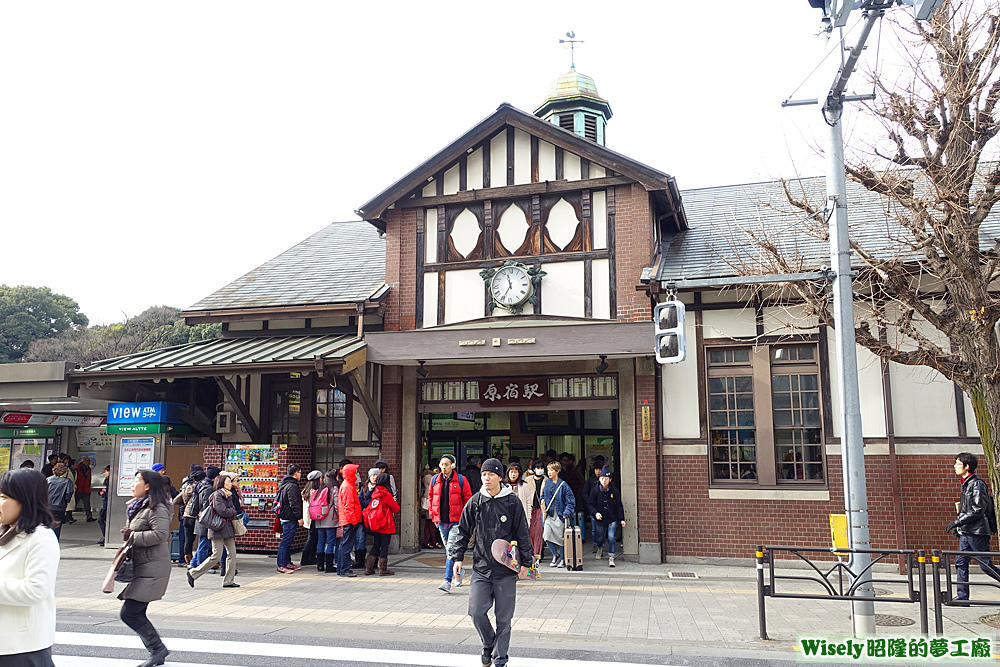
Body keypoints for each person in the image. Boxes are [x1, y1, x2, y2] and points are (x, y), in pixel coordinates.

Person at [452, 458, 532, 667]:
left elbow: (523, 533)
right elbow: (463, 531)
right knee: (476, 611)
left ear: (499, 477)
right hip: (481, 568)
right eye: (483, 475)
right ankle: (488, 642)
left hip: (505, 570)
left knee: (504, 619)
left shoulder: (511, 502)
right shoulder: (476, 501)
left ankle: (500, 659)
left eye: (490, 474)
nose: (486, 478)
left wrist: (526, 562)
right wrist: (458, 557)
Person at [0, 468, 59, 667]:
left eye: (4, 497)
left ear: (25, 500)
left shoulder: (41, 538)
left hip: (21, 646)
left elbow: (35, 590)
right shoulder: (5, 532)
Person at [119, 469, 172, 667]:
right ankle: (157, 651)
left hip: (153, 567)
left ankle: (158, 650)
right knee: (136, 612)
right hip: (144, 566)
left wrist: (132, 536)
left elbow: (160, 535)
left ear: (148, 485)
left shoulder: (157, 507)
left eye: (136, 481)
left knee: (129, 613)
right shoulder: (140, 506)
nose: (132, 485)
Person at [947, 452, 1000, 601]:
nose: (955, 467)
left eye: (958, 464)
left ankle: (963, 596)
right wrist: (960, 527)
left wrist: (957, 522)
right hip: (967, 531)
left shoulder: (976, 484)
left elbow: (978, 509)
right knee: (960, 562)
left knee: (985, 565)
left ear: (967, 466)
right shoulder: (966, 483)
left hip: (977, 532)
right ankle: (962, 597)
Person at [186, 474, 239, 589]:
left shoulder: (228, 495)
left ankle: (228, 581)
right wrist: (231, 512)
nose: (231, 484)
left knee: (232, 554)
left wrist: (231, 511)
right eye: (228, 482)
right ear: (222, 483)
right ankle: (193, 573)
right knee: (216, 555)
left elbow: (233, 509)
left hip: (227, 528)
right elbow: (223, 511)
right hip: (217, 528)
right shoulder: (217, 495)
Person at [429, 453, 473, 593]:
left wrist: (466, 519)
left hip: (457, 521)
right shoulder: (435, 480)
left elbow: (468, 499)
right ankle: (459, 573)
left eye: (447, 464)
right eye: (442, 464)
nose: (444, 467)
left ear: (453, 465)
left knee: (450, 551)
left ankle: (447, 581)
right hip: (441, 521)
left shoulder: (461, 480)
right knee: (450, 551)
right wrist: (433, 516)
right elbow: (430, 498)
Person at [587, 466, 625, 567]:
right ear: (599, 479)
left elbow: (619, 505)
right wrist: (595, 513)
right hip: (599, 518)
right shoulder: (595, 490)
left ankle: (611, 556)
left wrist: (621, 519)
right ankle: (599, 548)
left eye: (606, 479)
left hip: (612, 518)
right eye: (602, 478)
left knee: (611, 536)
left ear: (610, 480)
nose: (604, 480)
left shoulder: (614, 491)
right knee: (600, 536)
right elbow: (590, 504)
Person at [364, 472, 400, 576]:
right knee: (384, 546)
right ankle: (383, 569)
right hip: (385, 525)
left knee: (376, 545)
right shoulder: (386, 494)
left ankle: (368, 568)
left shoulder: (375, 493)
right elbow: (396, 508)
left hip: (376, 524)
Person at [541, 461, 575, 568]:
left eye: (551, 470)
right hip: (549, 515)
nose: (549, 472)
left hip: (560, 516)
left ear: (558, 471)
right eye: (548, 470)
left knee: (560, 539)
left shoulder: (564, 485)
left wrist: (566, 513)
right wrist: (542, 500)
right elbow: (543, 495)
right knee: (546, 536)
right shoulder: (547, 483)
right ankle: (555, 555)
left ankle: (563, 559)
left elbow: (571, 501)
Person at [275, 464, 304, 574]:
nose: (300, 475)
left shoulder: (285, 483)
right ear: (296, 473)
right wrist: (299, 517)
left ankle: (287, 562)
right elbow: (294, 503)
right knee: (286, 541)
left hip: (285, 516)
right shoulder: (292, 486)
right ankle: (281, 564)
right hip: (289, 517)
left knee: (288, 541)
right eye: (300, 472)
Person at [190, 466, 220, 570]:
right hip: (206, 519)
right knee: (204, 543)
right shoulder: (208, 488)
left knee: (203, 542)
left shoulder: (202, 485)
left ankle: (193, 563)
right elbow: (206, 505)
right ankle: (200, 566)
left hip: (201, 518)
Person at [335, 463, 361, 577]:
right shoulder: (348, 487)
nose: (356, 474)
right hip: (349, 520)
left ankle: (341, 569)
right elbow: (349, 506)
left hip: (347, 519)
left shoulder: (346, 485)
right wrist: (354, 521)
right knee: (347, 545)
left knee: (344, 545)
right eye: (355, 472)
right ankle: (344, 569)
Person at [312, 469, 340, 574]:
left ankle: (320, 565)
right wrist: (339, 516)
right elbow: (336, 505)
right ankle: (329, 565)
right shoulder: (334, 488)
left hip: (319, 519)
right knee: (331, 542)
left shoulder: (319, 488)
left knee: (321, 541)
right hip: (330, 519)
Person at [180, 465, 205, 567]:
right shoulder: (202, 486)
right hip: (196, 516)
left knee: (188, 540)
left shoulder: (187, 487)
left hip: (187, 515)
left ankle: (188, 561)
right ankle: (197, 560)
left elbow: (184, 500)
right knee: (202, 538)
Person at [581, 457, 605, 552]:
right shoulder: (590, 481)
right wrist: (589, 501)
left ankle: (601, 545)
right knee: (594, 528)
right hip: (593, 508)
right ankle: (596, 544)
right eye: (596, 469)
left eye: (600, 469)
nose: (598, 471)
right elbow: (584, 493)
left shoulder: (606, 480)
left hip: (603, 507)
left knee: (602, 528)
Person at [45, 462, 74, 541]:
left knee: (47, 524)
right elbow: (69, 493)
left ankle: (46, 539)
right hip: (59, 506)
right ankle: (54, 540)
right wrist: (66, 501)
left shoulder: (48, 480)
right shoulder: (67, 482)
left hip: (47, 505)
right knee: (57, 525)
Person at [300, 471, 322, 568]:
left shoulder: (306, 489)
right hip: (312, 518)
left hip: (308, 517)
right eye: (321, 478)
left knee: (313, 538)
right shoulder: (314, 491)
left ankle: (311, 557)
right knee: (312, 538)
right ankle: (305, 558)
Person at [526, 460, 546, 563]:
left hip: (541, 509)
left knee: (538, 532)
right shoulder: (527, 480)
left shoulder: (547, 480)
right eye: (537, 468)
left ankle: (537, 554)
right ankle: (533, 552)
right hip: (530, 509)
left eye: (541, 468)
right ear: (533, 469)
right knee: (530, 532)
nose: (540, 470)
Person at [71, 457, 95, 523]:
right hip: (78, 489)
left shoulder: (89, 469)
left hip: (86, 489)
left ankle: (89, 517)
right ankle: (68, 516)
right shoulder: (78, 469)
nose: (88, 462)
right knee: (73, 504)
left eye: (89, 461)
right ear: (83, 461)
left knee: (87, 504)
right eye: (87, 461)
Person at [97, 465, 110, 546]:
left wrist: (102, 493)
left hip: (106, 505)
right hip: (106, 504)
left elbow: (108, 494)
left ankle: (105, 536)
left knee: (101, 519)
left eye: (106, 471)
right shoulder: (109, 480)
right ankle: (106, 536)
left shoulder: (109, 481)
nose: (105, 473)